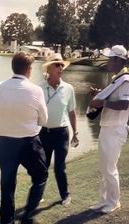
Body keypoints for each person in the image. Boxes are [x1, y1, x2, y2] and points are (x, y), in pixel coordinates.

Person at [0, 51, 48, 224]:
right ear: (29, 70)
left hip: (5, 142)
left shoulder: (0, 87)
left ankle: (7, 221)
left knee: (7, 184)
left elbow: (0, 107)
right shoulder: (36, 90)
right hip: (28, 142)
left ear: (13, 67)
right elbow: (44, 119)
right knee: (40, 177)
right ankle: (28, 215)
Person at [88, 45, 129, 214]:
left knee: (109, 168)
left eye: (110, 59)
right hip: (108, 127)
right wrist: (101, 94)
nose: (108, 61)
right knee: (104, 167)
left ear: (118, 60)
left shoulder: (126, 80)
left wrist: (103, 102)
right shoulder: (119, 78)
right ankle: (103, 199)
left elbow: (124, 104)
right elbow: (115, 98)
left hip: (115, 129)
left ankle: (114, 201)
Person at [39, 53, 79, 207]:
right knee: (43, 166)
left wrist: (75, 132)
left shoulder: (68, 88)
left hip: (62, 133)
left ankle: (65, 195)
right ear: (49, 68)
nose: (60, 67)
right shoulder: (39, 88)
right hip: (44, 133)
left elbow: (72, 112)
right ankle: (38, 195)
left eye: (62, 65)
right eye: (57, 65)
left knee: (59, 167)